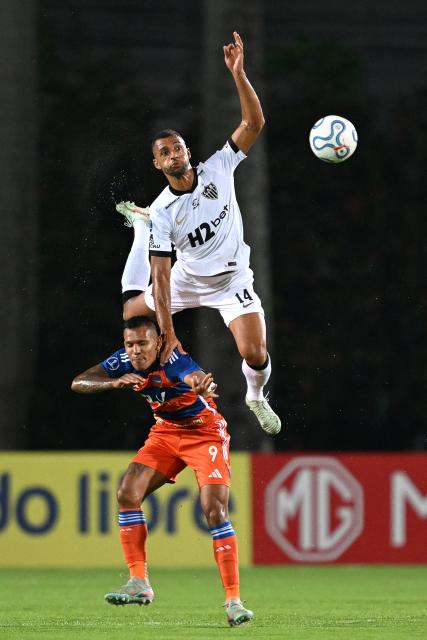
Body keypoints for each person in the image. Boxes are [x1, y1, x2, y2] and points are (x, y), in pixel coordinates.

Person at [115, 31, 281, 437]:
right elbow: (163, 274)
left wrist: (238, 73)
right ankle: (139, 229)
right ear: (157, 165)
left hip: (231, 280)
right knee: (131, 313)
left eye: (179, 147)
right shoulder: (164, 211)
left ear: (188, 151)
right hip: (186, 280)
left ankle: (256, 396)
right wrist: (168, 333)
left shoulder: (219, 167)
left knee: (255, 353)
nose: (175, 154)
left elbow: (253, 122)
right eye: (165, 152)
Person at [71, 315, 254, 627]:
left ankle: (234, 601)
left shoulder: (174, 360)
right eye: (130, 344)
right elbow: (79, 382)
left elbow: (193, 375)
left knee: (215, 511)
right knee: (127, 494)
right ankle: (139, 582)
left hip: (204, 433)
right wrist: (112, 382)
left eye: (143, 343)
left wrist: (200, 383)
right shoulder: (122, 362)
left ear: (158, 343)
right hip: (166, 434)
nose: (136, 351)